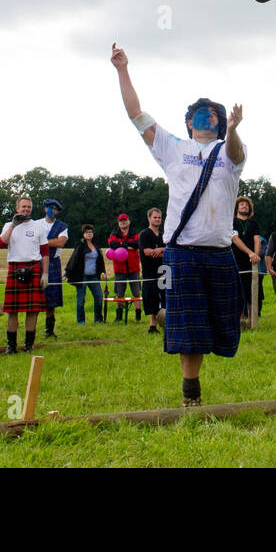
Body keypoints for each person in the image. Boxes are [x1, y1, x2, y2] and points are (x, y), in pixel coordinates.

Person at [113, 42, 247, 407]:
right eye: (199, 114)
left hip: (219, 254)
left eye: (213, 114)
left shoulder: (229, 152)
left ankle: (165, 315)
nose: (206, 117)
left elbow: (236, 152)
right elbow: (136, 114)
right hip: (181, 253)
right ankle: (191, 393)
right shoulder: (173, 147)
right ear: (189, 123)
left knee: (222, 324)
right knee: (189, 325)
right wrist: (123, 69)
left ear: (220, 123)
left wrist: (233, 131)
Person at [0, 195, 50, 353]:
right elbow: (1, 244)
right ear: (17, 208)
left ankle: (29, 346)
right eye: (23, 207)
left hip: (33, 268)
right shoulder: (8, 225)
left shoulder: (38, 226)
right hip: (15, 267)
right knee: (12, 311)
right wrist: (14, 225)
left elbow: (45, 252)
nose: (26, 209)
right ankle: (11, 346)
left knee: (32, 311)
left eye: (28, 207)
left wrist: (45, 273)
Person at [64, 225, 106, 324]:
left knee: (99, 296)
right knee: (81, 299)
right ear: (83, 234)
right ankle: (81, 321)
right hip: (82, 276)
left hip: (93, 276)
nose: (89, 234)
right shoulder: (80, 246)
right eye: (87, 232)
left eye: (91, 232)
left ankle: (98, 319)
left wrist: (103, 271)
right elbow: (73, 260)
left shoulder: (96, 245)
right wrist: (67, 272)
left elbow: (100, 261)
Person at [40, 200, 70, 339]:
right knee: (35, 296)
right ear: (45, 208)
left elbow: (61, 242)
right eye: (51, 208)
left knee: (51, 298)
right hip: (36, 261)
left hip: (53, 263)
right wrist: (50, 242)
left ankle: (49, 330)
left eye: (56, 209)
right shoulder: (37, 224)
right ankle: (31, 328)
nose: (53, 210)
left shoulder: (62, 226)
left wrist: (42, 242)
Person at [231, 197, 262, 322]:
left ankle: (253, 319)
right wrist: (250, 253)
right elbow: (235, 239)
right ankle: (239, 319)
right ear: (237, 208)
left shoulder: (253, 223)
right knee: (237, 291)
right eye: (242, 204)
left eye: (246, 205)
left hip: (251, 263)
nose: (244, 206)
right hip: (236, 261)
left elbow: (257, 240)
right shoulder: (232, 222)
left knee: (252, 291)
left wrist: (256, 255)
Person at [108, 214, 143, 322]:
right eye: (121, 221)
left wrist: (122, 244)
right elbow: (112, 244)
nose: (123, 222)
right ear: (118, 223)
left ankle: (138, 316)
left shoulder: (134, 233)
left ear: (129, 221)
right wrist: (127, 246)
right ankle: (119, 316)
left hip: (133, 268)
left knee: (136, 292)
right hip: (119, 268)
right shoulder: (114, 234)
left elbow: (137, 243)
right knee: (119, 293)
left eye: (125, 220)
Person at [139, 207, 166, 333]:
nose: (157, 219)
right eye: (155, 217)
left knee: (166, 297)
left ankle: (166, 322)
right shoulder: (144, 234)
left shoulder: (164, 235)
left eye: (159, 217)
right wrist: (161, 251)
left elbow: (169, 250)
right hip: (150, 271)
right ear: (149, 218)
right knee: (152, 298)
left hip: (165, 270)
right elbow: (147, 252)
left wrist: (160, 250)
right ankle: (152, 325)